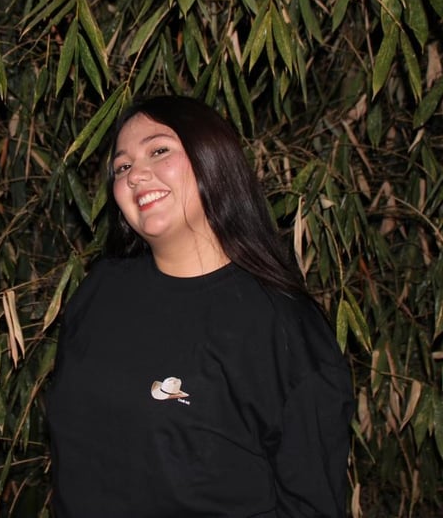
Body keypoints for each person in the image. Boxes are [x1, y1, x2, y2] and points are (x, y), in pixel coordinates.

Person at [47, 95, 354, 517]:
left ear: (213, 158)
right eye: (122, 166)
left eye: (159, 151)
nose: (136, 174)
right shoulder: (100, 291)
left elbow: (311, 502)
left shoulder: (282, 328)